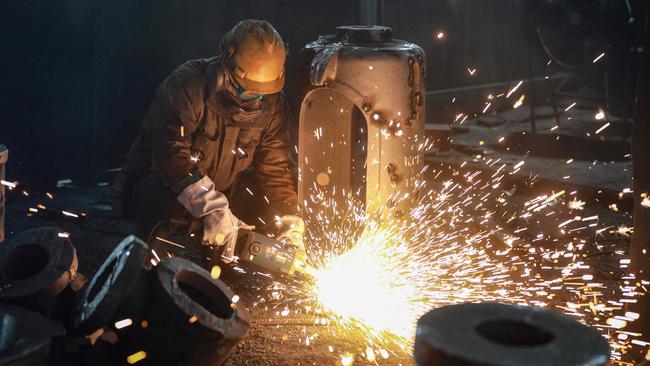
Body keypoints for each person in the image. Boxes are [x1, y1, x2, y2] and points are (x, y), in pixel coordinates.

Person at [111, 19, 305, 266]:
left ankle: (235, 274)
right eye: (246, 91)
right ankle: (143, 267)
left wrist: (289, 222)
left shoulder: (274, 106)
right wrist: (210, 205)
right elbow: (171, 153)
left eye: (261, 94)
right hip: (163, 185)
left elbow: (275, 169)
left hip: (220, 195)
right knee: (160, 199)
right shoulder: (188, 86)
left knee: (259, 204)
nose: (254, 101)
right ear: (226, 67)